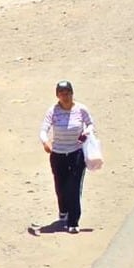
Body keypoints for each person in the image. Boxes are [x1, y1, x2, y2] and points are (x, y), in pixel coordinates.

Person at [39, 79, 95, 232]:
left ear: (72, 93)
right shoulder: (53, 111)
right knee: (61, 187)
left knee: (74, 187)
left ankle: (73, 222)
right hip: (58, 154)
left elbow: (90, 124)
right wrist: (45, 142)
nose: (65, 96)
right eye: (62, 94)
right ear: (57, 95)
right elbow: (44, 129)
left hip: (76, 153)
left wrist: (86, 132)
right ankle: (63, 210)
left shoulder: (81, 109)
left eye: (68, 93)